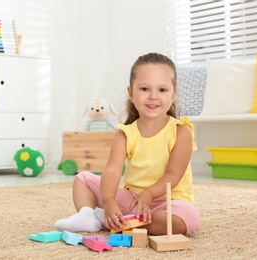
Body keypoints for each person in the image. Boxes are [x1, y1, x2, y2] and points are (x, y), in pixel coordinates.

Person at [55, 53, 200, 235]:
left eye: (162, 90)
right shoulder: (125, 134)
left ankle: (112, 220)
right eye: (145, 89)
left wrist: (149, 194)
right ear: (131, 93)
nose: (153, 96)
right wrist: (108, 200)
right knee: (82, 179)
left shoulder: (181, 131)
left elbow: (174, 174)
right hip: (132, 201)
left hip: (169, 202)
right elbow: (112, 171)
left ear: (173, 94)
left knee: (186, 221)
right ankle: (89, 215)